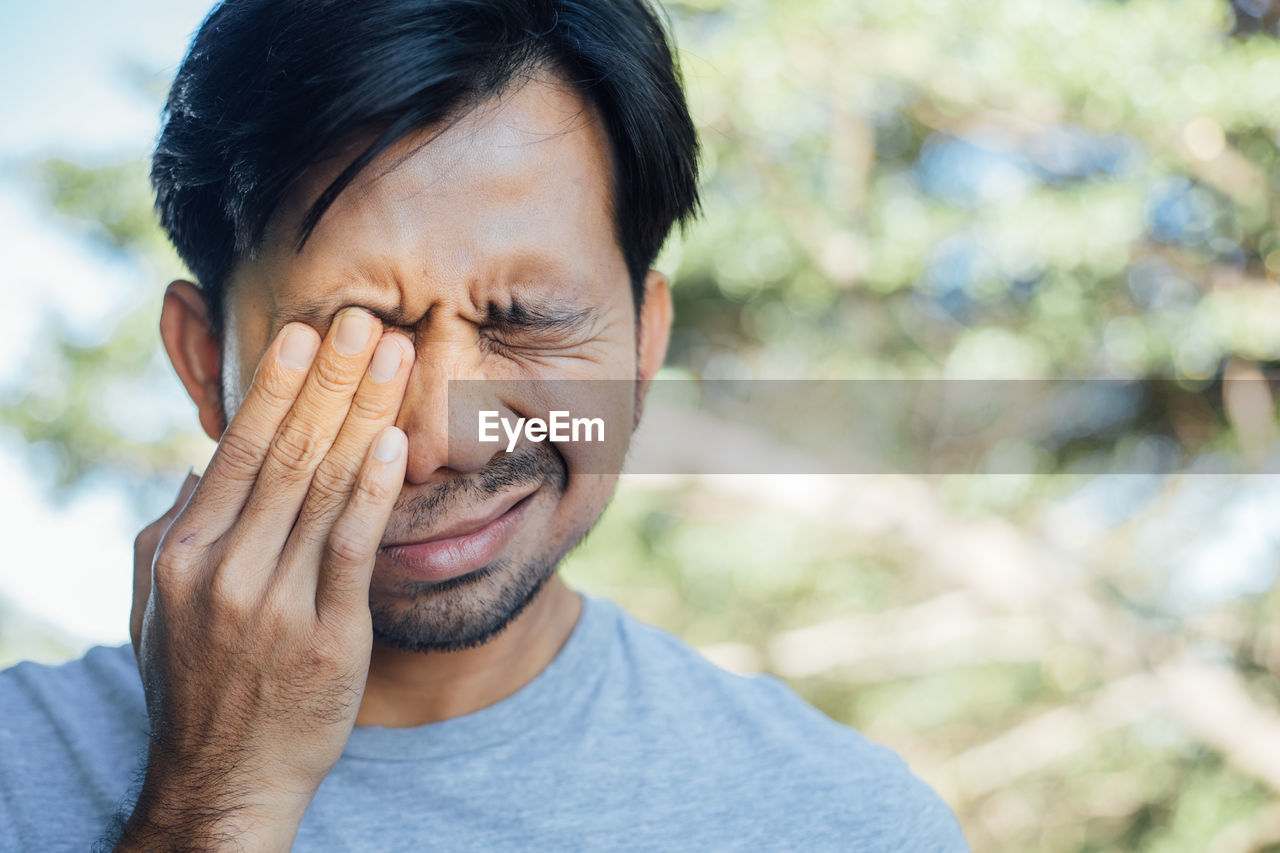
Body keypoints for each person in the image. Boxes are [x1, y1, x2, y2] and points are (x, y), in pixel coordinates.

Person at [0, 0, 969, 849]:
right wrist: (215, 800)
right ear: (206, 364)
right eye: (358, 337)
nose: (447, 437)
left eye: (529, 323)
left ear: (642, 350)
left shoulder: (843, 823)